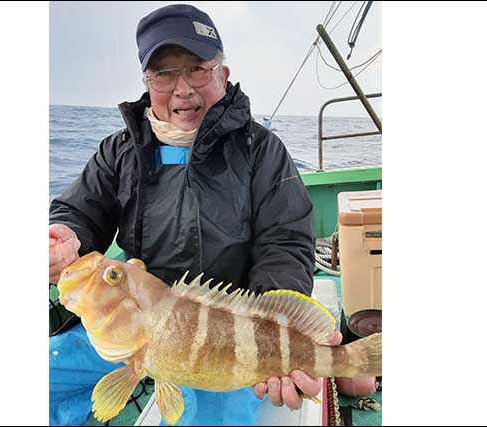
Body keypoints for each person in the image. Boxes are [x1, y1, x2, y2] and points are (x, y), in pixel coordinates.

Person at [49, 4, 367, 425]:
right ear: (147, 82)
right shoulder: (119, 150)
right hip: (133, 323)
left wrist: (273, 333)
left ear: (223, 74)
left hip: (226, 340)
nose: (183, 88)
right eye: (164, 73)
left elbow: (285, 243)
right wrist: (65, 235)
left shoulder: (263, 151)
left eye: (198, 68)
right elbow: (79, 211)